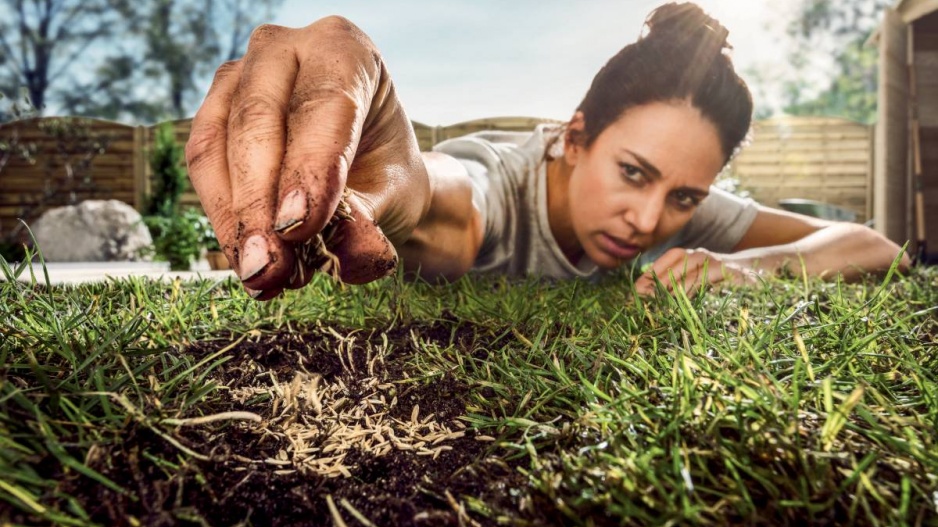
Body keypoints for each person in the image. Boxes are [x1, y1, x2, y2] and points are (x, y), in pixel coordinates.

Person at [186, 2, 910, 301]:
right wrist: (400, 184)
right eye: (633, 173)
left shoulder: (682, 213)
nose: (649, 218)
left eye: (684, 196)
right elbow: (445, 201)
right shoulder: (500, 181)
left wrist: (747, 266)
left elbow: (876, 247)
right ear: (573, 138)